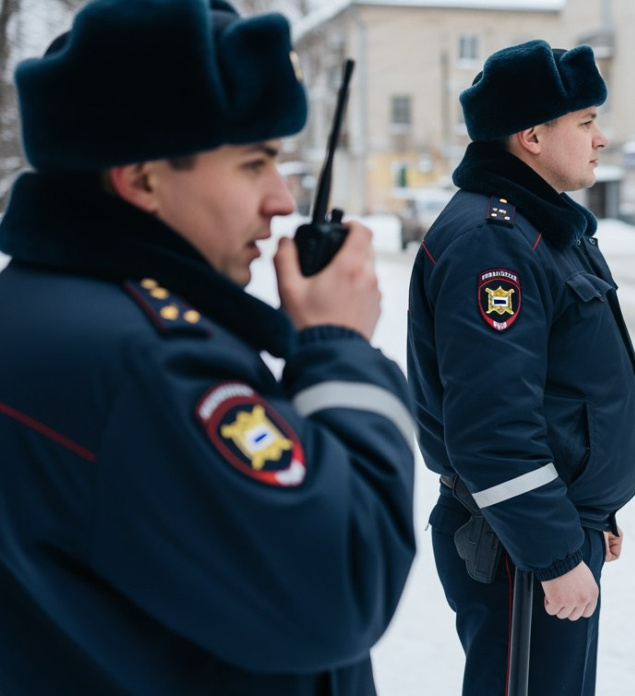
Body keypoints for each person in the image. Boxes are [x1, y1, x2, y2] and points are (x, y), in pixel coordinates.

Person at [0, 1, 416, 694]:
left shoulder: (41, 303)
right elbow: (341, 582)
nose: (282, 201)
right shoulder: (151, 363)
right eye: (253, 164)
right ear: (141, 179)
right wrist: (338, 348)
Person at [406, 39, 635, 696]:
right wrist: (554, 551)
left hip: (550, 526)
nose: (600, 138)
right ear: (533, 136)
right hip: (516, 543)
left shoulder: (544, 231)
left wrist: (595, 510)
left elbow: (562, 393)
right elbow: (491, 428)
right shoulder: (494, 242)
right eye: (585, 122)